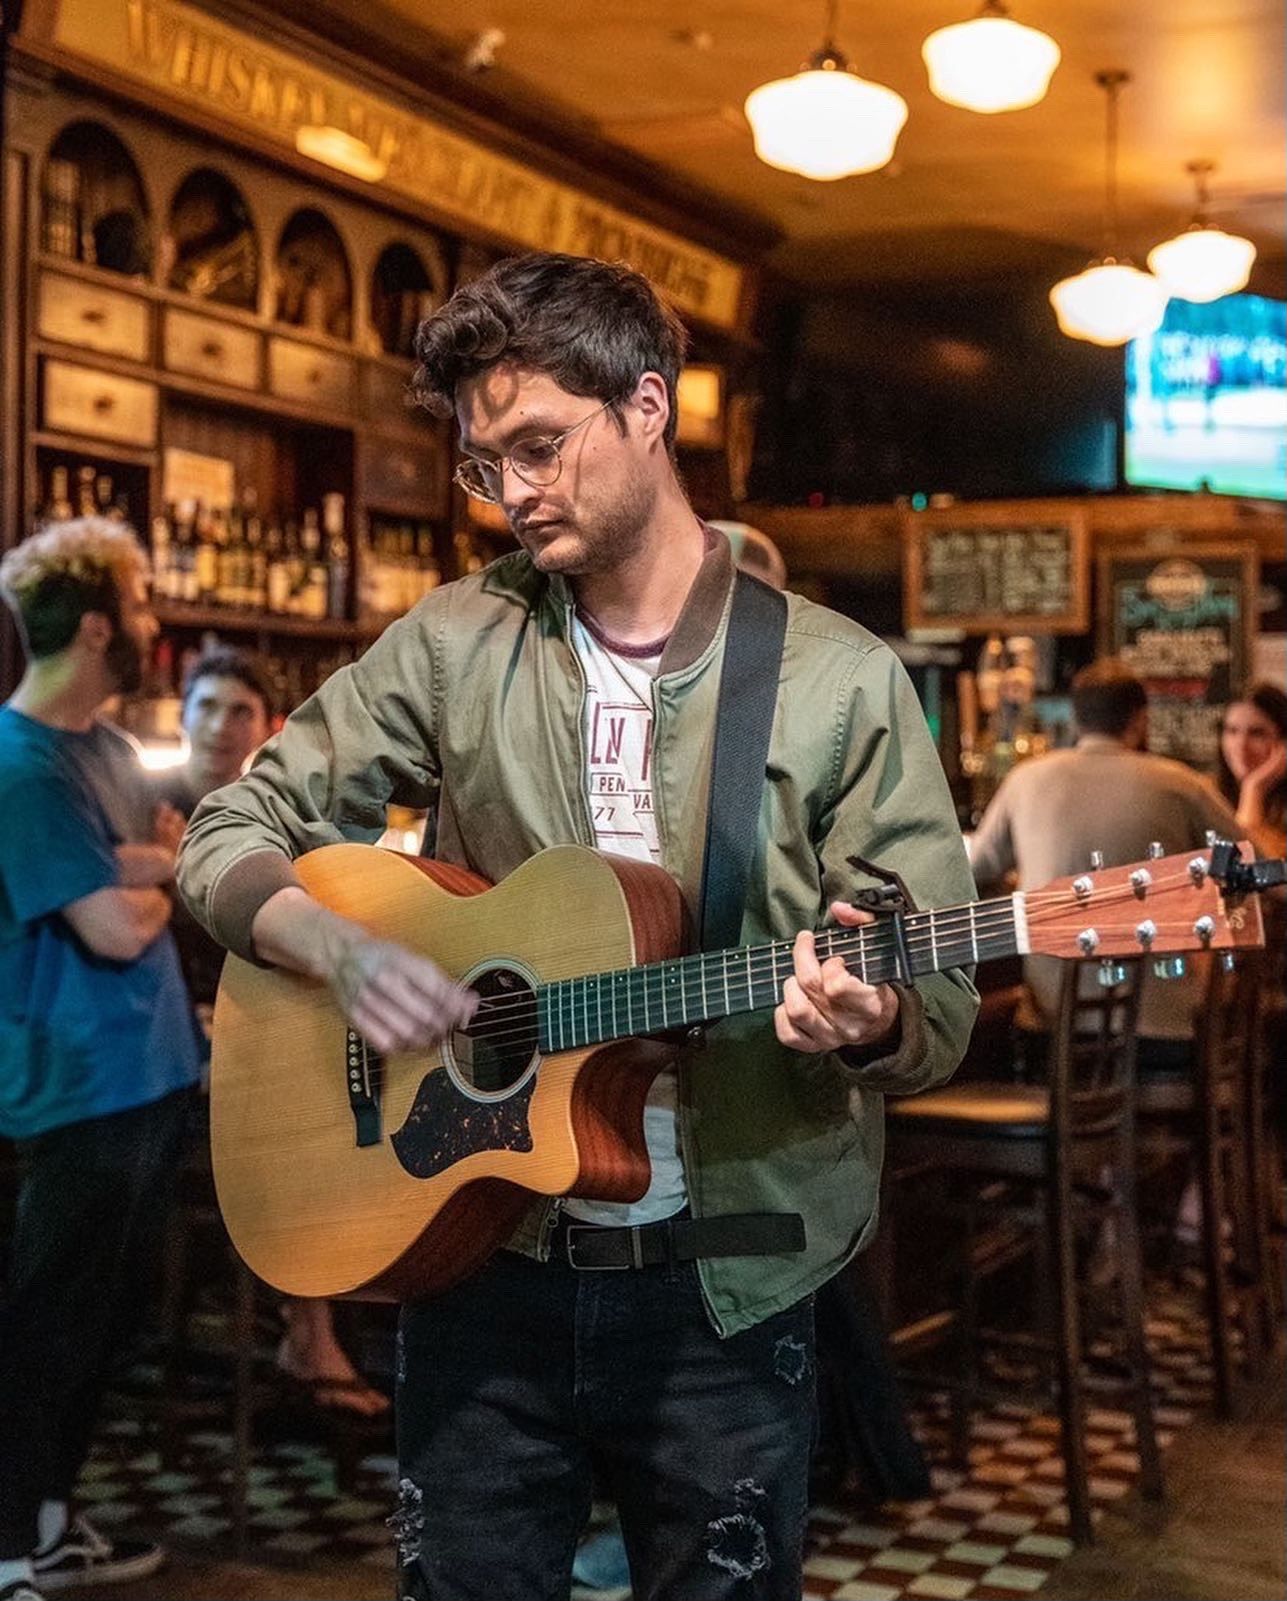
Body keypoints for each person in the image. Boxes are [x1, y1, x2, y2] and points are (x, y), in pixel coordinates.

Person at [176, 251, 978, 1601]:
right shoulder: (453, 643)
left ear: (647, 409)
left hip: (728, 1275)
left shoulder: (837, 681)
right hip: (475, 1247)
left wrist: (872, 1015)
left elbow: (936, 1006)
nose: (510, 495)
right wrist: (338, 946)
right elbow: (227, 827)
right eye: (484, 465)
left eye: (539, 447)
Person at [0, 519, 204, 1601]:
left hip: (152, 1073)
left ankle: (49, 1520)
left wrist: (141, 866)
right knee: (50, 1322)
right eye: (138, 604)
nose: (154, 622)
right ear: (93, 627)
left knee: (108, 1322)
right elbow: (115, 926)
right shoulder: (20, 762)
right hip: (78, 1082)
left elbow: (144, 861)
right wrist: (153, 871)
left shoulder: (109, 750)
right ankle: (9, 1547)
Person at [157, 643, 389, 1419]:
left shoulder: (277, 828)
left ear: (268, 726)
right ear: (182, 714)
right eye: (207, 706)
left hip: (254, 1032)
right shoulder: (147, 800)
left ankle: (352, 1307)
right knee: (300, 1117)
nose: (220, 725)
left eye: (240, 712)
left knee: (348, 1093)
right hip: (169, 1050)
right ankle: (310, 1329)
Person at [967, 657, 1244, 1059]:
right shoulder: (1183, 785)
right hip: (1163, 1035)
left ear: (1076, 719)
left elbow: (973, 870)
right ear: (1139, 719)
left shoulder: (1024, 780)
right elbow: (1256, 872)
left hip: (1053, 1036)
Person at [1213, 681, 1287, 859]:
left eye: (1256, 733)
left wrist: (1254, 788)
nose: (1241, 746)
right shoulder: (1209, 792)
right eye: (1232, 731)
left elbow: (1242, 860)